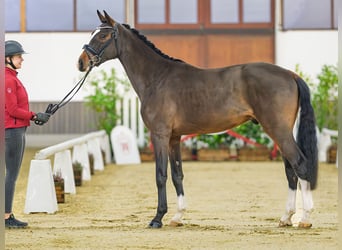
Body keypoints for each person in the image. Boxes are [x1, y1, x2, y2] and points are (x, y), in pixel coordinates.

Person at [5, 40, 51, 228]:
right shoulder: (8, 79)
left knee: (11, 175)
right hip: (12, 131)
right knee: (11, 175)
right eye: (18, 57)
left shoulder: (12, 77)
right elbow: (13, 109)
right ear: (7, 59)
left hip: (17, 129)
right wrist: (34, 115)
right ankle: (6, 217)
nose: (22, 59)